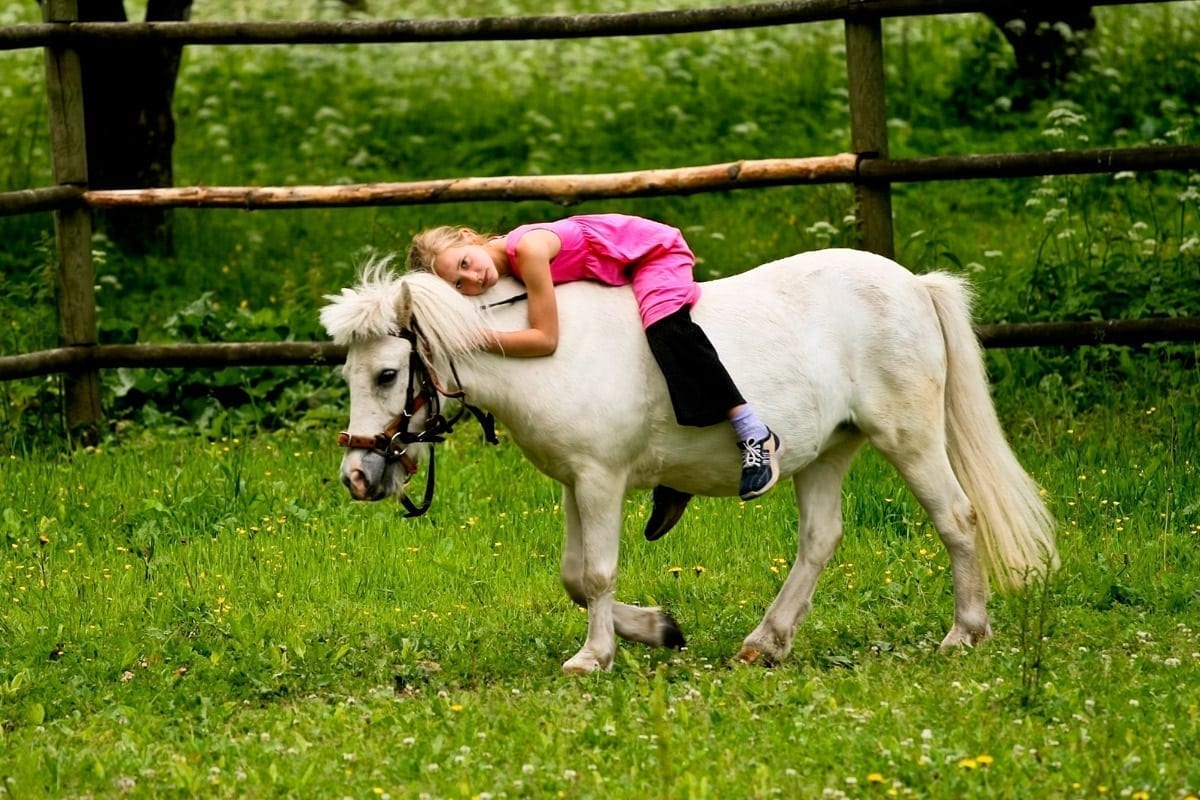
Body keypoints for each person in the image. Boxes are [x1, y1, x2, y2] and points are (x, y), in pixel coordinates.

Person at [405, 213, 783, 501]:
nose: (472, 279)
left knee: (666, 328)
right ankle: (676, 477)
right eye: (458, 284)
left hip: (651, 255)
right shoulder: (505, 268)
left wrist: (474, 338)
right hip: (618, 273)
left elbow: (545, 339)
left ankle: (752, 430)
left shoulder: (530, 251)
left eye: (464, 263)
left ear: (470, 238)